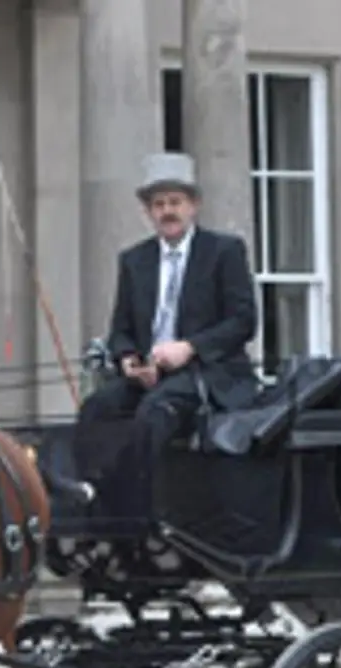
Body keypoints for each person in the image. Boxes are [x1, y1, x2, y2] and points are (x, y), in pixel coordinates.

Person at [72, 152, 260, 515]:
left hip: (206, 374)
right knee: (97, 409)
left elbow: (243, 321)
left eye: (175, 202)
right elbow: (121, 329)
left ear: (194, 206)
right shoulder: (134, 260)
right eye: (158, 204)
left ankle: (139, 504)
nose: (167, 211)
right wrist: (128, 360)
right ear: (148, 211)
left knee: (154, 412)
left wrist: (189, 348)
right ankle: (92, 495)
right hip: (150, 374)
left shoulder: (224, 251)